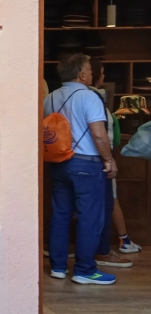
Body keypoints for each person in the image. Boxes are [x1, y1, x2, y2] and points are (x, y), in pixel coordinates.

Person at [43, 54, 118, 285]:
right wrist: (109, 160)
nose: (92, 74)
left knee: (60, 214)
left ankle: (57, 267)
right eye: (90, 70)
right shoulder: (89, 97)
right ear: (82, 74)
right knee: (89, 217)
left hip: (59, 163)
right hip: (86, 163)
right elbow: (99, 134)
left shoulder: (50, 98)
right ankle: (85, 270)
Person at [89, 59, 134, 268]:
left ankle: (80, 252)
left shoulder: (63, 97)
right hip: (98, 162)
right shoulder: (97, 102)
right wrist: (109, 159)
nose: (104, 77)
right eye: (102, 72)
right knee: (107, 203)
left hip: (70, 162)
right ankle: (111, 247)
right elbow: (106, 137)